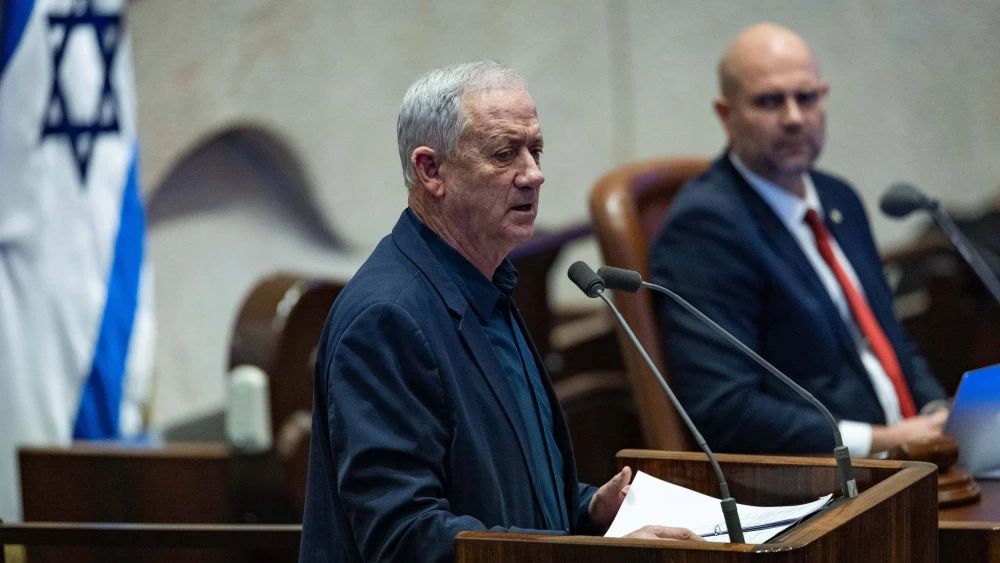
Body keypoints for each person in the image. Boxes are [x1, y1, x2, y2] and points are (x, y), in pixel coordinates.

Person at [299, 61, 699, 563]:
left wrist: (588, 509)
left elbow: (509, 496)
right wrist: (593, 556)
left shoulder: (487, 286)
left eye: (535, 150)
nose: (534, 174)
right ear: (431, 170)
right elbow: (404, 536)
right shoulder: (387, 318)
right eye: (504, 153)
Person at [649, 24, 948, 457]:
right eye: (769, 101)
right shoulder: (706, 227)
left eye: (806, 97)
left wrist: (940, 414)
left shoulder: (837, 197)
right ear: (725, 114)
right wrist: (885, 442)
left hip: (915, 463)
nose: (793, 118)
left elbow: (890, 341)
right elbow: (726, 409)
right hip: (828, 485)